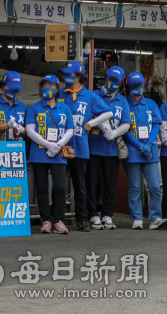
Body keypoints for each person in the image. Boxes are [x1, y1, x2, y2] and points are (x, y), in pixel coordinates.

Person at [57, 61, 112, 232]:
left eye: (70, 74)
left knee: (80, 185)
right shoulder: (59, 94)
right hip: (58, 146)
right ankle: (57, 219)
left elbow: (108, 112)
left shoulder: (90, 97)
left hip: (79, 147)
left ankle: (82, 219)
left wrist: (91, 123)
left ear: (79, 76)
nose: (66, 77)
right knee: (59, 185)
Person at [26, 75, 75, 234]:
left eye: (52, 86)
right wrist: (48, 144)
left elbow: (70, 130)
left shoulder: (64, 108)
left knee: (60, 187)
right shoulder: (34, 108)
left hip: (59, 153)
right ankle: (46, 219)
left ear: (57, 89)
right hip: (39, 152)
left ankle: (58, 219)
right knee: (42, 188)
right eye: (45, 85)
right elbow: (30, 130)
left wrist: (58, 145)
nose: (48, 88)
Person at [86, 66, 130, 230]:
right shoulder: (92, 95)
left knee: (110, 184)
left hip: (111, 150)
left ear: (121, 82)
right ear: (106, 77)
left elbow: (126, 123)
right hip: (91, 147)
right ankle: (92, 215)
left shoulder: (122, 100)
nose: (113, 83)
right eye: (111, 79)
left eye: (117, 81)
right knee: (91, 183)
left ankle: (107, 216)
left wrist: (115, 133)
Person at [122, 72, 167, 230]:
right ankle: (137, 219)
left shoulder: (151, 104)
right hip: (133, 153)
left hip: (151, 152)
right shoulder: (125, 104)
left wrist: (149, 144)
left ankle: (155, 217)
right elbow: (124, 130)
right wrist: (140, 145)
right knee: (134, 187)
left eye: (140, 85)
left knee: (155, 186)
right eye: (134, 86)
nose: (138, 88)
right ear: (129, 86)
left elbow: (156, 124)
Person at [0, 71, 27, 142]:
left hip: (17, 150)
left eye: (16, 89)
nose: (13, 91)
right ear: (3, 86)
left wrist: (23, 130)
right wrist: (7, 126)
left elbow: (30, 131)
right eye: (11, 87)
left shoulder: (23, 106)